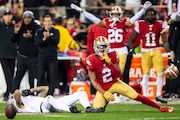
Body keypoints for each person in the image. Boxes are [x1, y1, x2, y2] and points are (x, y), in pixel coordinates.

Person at [86, 36, 174, 113]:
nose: (102, 50)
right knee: (97, 109)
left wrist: (109, 62)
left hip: (115, 83)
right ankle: (105, 102)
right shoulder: (91, 59)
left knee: (135, 95)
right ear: (95, 48)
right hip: (102, 87)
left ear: (108, 47)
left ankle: (160, 107)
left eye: (104, 47)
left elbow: (118, 74)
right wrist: (104, 93)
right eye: (99, 47)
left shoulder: (113, 54)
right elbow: (93, 80)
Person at [70, 1, 152, 75]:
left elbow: (134, 19)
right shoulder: (107, 22)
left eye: (117, 14)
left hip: (121, 49)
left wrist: (143, 10)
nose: (115, 16)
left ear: (120, 15)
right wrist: (81, 11)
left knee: (120, 72)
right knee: (108, 72)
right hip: (110, 50)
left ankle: (118, 91)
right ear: (110, 14)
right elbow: (94, 18)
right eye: (114, 14)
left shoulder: (124, 23)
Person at [128, 8, 172, 103]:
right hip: (145, 51)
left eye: (152, 14)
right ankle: (145, 96)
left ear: (155, 15)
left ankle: (158, 95)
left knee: (160, 73)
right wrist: (131, 49)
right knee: (146, 74)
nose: (150, 16)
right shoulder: (140, 24)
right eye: (148, 14)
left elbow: (164, 41)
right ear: (145, 16)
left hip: (156, 50)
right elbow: (131, 38)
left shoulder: (160, 24)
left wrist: (168, 53)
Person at [11, 86, 100, 113]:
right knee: (49, 98)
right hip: (44, 107)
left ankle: (88, 108)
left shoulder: (35, 98)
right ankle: (70, 109)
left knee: (81, 93)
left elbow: (46, 88)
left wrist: (31, 90)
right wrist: (22, 94)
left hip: (55, 104)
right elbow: (16, 92)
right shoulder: (19, 105)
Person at [12, 10, 40, 92]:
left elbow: (39, 41)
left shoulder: (37, 28)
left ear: (32, 19)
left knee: (35, 77)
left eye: (29, 18)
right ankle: (14, 95)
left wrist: (31, 37)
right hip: (22, 57)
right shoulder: (20, 28)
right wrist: (15, 32)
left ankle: (34, 94)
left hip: (33, 57)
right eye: (25, 18)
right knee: (17, 77)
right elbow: (13, 40)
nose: (27, 20)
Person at [54, 16, 80, 95]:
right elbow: (69, 41)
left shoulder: (53, 29)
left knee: (55, 72)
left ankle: (57, 88)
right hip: (64, 55)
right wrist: (77, 46)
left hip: (54, 55)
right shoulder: (65, 30)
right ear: (62, 22)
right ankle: (64, 89)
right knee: (64, 72)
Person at [35, 15, 59, 96]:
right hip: (42, 58)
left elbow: (56, 41)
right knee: (40, 77)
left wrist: (49, 37)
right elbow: (37, 43)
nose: (48, 23)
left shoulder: (55, 31)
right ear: (43, 22)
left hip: (52, 58)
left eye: (49, 21)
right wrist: (44, 39)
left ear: (51, 22)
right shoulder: (39, 31)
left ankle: (50, 95)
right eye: (46, 21)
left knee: (52, 77)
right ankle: (39, 95)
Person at [0, 9, 17, 101]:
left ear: (11, 16)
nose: (8, 17)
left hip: (12, 54)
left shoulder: (14, 27)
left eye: (9, 15)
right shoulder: (1, 27)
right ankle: (11, 92)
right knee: (7, 74)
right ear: (3, 17)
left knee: (11, 74)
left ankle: (8, 92)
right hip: (3, 54)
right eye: (6, 15)